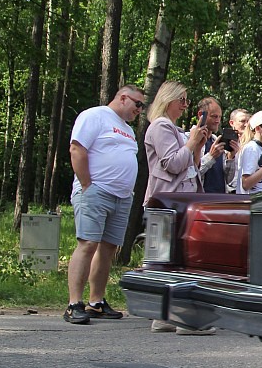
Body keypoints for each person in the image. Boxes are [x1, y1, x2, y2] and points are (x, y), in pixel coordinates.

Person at [64, 85, 144, 325]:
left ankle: (96, 302)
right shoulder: (94, 116)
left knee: (108, 249)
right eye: (137, 104)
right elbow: (77, 148)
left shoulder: (127, 130)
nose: (139, 110)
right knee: (88, 243)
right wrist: (87, 185)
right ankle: (73, 304)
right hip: (96, 192)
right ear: (122, 97)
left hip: (121, 197)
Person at [143, 82, 217, 334]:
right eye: (182, 100)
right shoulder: (161, 126)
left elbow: (190, 166)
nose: (186, 105)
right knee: (183, 259)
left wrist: (196, 144)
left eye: (187, 100)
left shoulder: (173, 128)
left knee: (172, 259)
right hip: (170, 201)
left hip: (177, 200)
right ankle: (185, 318)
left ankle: (165, 315)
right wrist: (191, 142)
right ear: (168, 100)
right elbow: (172, 164)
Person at [194, 97, 237, 193]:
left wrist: (230, 157)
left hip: (219, 200)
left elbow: (228, 180)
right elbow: (191, 176)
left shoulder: (216, 141)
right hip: (200, 200)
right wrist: (211, 156)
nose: (217, 120)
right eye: (214, 116)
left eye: (219, 117)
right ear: (201, 115)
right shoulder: (189, 140)